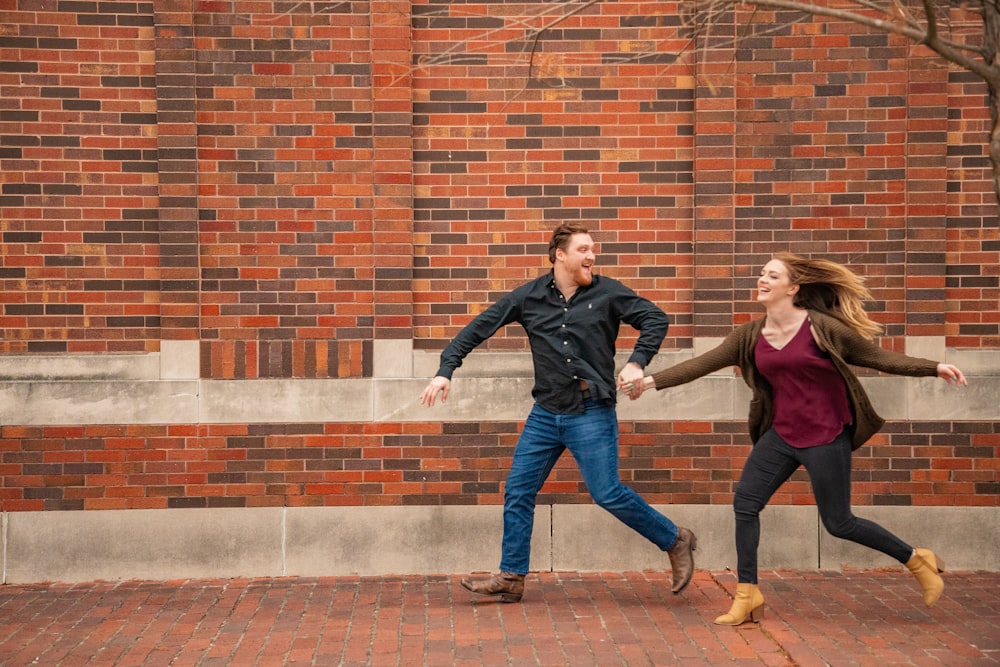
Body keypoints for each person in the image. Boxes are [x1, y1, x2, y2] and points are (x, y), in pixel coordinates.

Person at [624, 252, 967, 625]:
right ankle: (747, 593)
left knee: (839, 523)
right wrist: (648, 381)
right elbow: (701, 364)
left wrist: (934, 368)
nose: (762, 279)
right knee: (746, 505)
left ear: (793, 288)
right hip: (781, 435)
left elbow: (878, 358)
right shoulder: (749, 335)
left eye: (772, 275)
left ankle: (917, 560)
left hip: (826, 435)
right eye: (761, 274)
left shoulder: (821, 327)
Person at [420, 222, 697, 603]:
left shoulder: (608, 292)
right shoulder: (529, 297)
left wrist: (636, 362)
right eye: (584, 249)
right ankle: (512, 576)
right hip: (546, 413)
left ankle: (675, 539)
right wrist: (444, 371)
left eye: (593, 249)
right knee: (518, 489)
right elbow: (477, 329)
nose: (592, 256)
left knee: (607, 493)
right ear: (560, 255)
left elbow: (655, 319)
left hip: (591, 411)